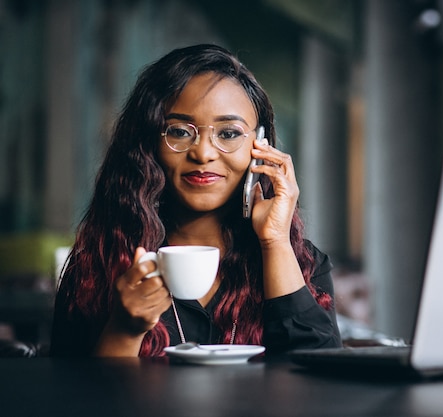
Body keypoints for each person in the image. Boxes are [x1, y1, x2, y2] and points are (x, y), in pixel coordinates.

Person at [50, 44, 342, 357]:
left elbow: (321, 380)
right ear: (149, 143)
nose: (203, 153)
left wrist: (274, 243)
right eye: (179, 131)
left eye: (228, 133)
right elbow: (76, 398)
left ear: (260, 146)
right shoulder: (97, 263)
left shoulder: (303, 263)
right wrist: (124, 329)